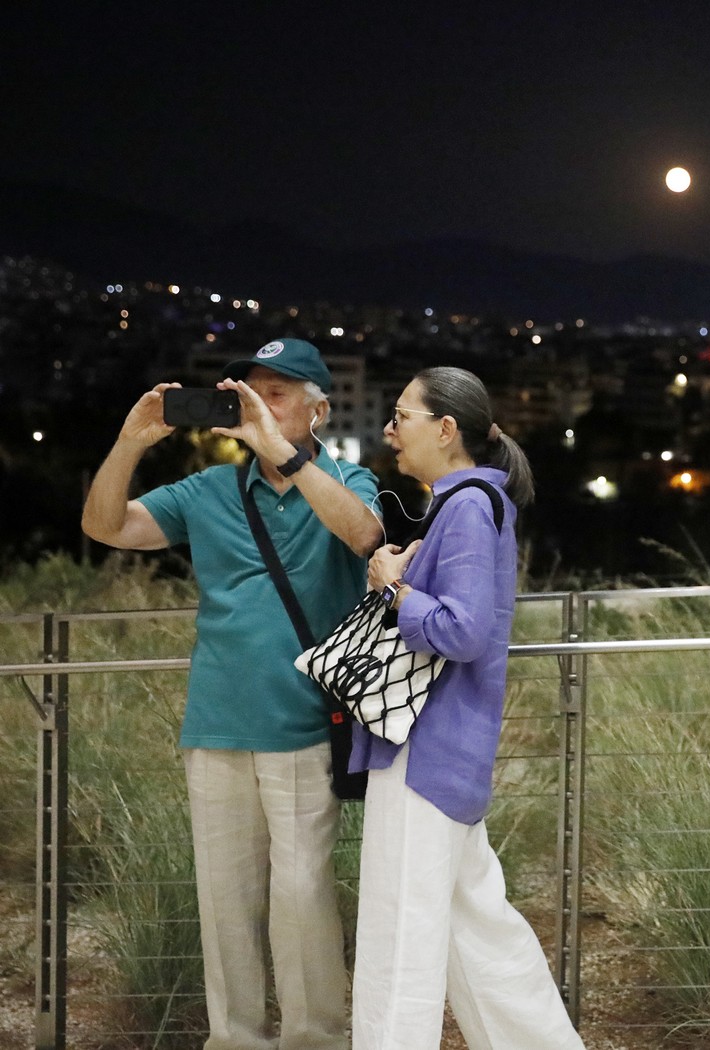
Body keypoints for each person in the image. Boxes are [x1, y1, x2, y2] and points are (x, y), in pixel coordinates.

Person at [82, 337, 382, 1050]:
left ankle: (315, 1038)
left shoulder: (347, 480)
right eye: (251, 388)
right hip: (216, 722)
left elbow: (364, 533)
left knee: (303, 895)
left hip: (307, 723)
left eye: (279, 392)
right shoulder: (209, 491)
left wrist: (282, 451)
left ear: (318, 409)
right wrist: (130, 442)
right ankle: (236, 1039)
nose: (258, 401)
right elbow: (105, 525)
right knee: (225, 901)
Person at [350, 367, 583, 1050]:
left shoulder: (469, 506)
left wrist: (395, 588)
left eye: (402, 417)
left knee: (401, 940)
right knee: (477, 932)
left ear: (446, 430)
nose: (390, 431)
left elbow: (464, 630)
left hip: (423, 750)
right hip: (449, 750)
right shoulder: (474, 502)